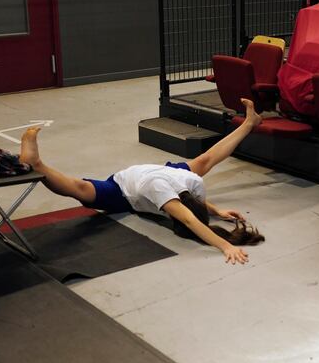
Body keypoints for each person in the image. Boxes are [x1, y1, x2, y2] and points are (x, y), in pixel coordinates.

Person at [19, 98, 265, 265]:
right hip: (132, 185)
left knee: (205, 160)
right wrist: (225, 246)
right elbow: (189, 218)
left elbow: (192, 205)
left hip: (153, 176)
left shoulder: (190, 183)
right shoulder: (168, 195)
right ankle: (37, 165)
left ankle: (249, 122)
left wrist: (216, 210)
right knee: (80, 190)